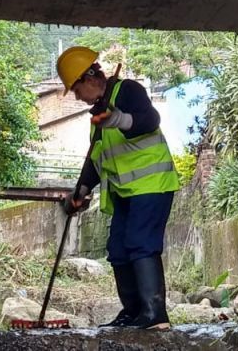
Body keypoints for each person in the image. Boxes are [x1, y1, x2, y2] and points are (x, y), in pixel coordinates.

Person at [55, 46, 180, 330]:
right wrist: (81, 191)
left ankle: (155, 314)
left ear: (89, 78)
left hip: (151, 185)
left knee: (140, 242)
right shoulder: (98, 115)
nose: (76, 97)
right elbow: (95, 159)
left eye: (76, 90)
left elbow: (150, 120)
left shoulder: (127, 92)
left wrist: (117, 119)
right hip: (125, 193)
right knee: (119, 249)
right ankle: (133, 312)